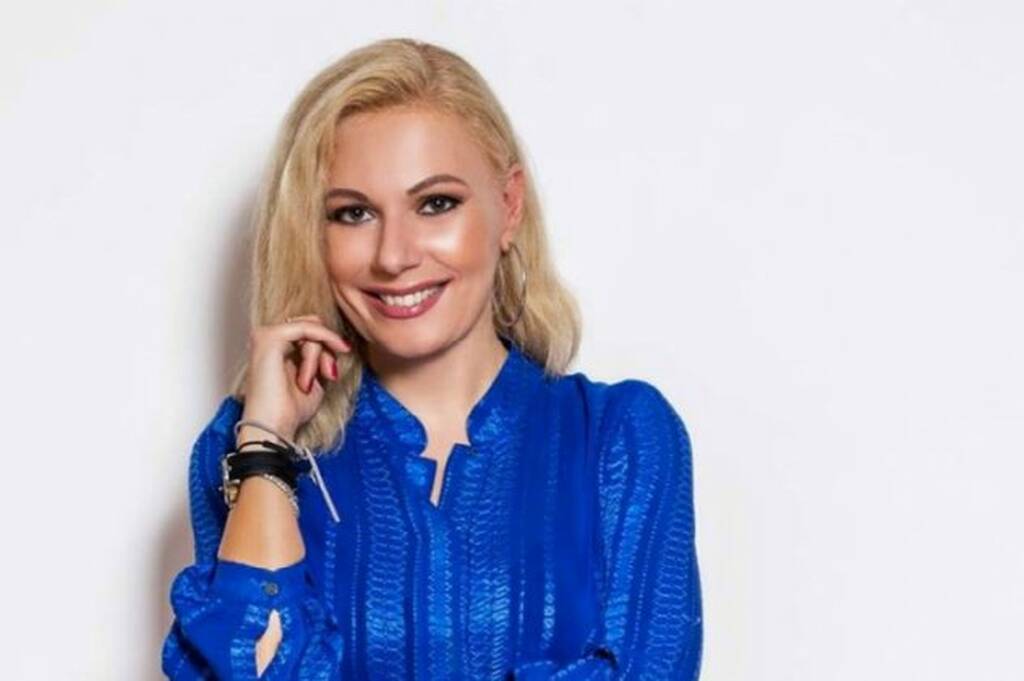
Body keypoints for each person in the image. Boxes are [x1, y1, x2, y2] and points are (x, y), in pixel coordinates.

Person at [161, 37, 703, 680]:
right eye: (353, 213)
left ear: (508, 206)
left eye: (436, 204)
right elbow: (248, 670)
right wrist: (265, 447)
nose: (394, 256)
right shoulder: (245, 450)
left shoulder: (619, 437)